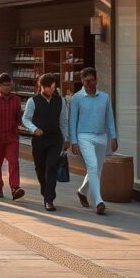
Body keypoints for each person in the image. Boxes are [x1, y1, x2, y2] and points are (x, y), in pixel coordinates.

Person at [69, 67, 117, 215]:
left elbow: (109, 118)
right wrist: (74, 141)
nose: (88, 83)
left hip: (101, 136)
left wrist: (113, 137)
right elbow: (72, 121)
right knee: (93, 165)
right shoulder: (76, 98)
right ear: (81, 81)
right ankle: (99, 201)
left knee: (97, 169)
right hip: (84, 136)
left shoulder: (105, 97)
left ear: (96, 80)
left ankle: (82, 191)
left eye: (91, 80)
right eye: (85, 81)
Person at [23, 72, 70, 211]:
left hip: (55, 139)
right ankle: (45, 191)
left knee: (51, 167)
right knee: (40, 168)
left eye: (53, 87)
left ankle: (49, 199)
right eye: (49, 87)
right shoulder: (33, 101)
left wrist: (66, 138)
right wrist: (34, 129)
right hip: (39, 140)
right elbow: (25, 119)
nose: (52, 89)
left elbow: (64, 121)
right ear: (41, 86)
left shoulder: (60, 101)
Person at [0, 73, 26, 201]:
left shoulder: (16, 100)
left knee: (13, 161)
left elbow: (19, 117)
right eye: (6, 85)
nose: (8, 88)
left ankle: (15, 188)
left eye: (10, 85)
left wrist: (24, 121)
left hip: (11, 137)